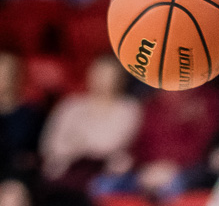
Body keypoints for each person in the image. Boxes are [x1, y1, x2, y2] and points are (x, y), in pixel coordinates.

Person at [39, 54, 143, 187]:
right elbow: (51, 143)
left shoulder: (129, 108)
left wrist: (78, 143)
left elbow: (111, 144)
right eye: (98, 73)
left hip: (106, 173)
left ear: (120, 79)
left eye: (109, 75)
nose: (102, 80)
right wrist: (81, 149)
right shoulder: (70, 106)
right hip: (67, 170)